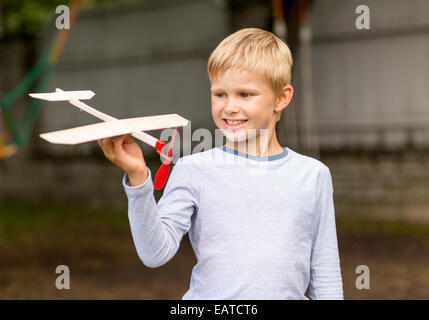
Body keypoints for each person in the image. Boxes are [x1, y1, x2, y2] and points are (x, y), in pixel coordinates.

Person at [97, 28, 343, 300]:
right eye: (220, 94)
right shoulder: (193, 170)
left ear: (281, 98)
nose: (229, 107)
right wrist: (139, 179)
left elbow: (325, 270)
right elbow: (154, 254)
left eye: (245, 95)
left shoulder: (313, 175)